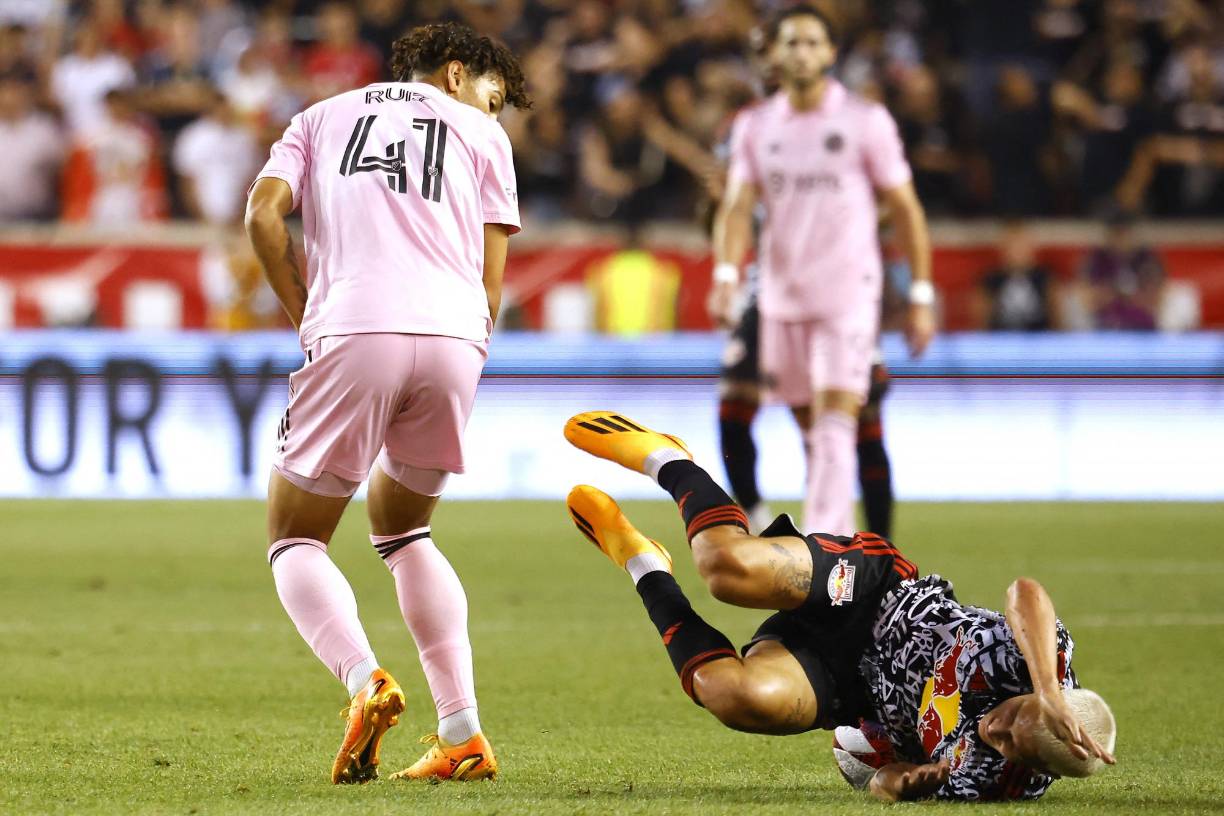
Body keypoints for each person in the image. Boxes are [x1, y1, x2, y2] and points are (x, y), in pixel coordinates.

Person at [562, 410, 1117, 802]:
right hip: (879, 596)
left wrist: (901, 783)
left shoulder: (993, 779)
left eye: (1013, 746)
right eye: (1015, 718)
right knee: (726, 570)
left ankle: (643, 563)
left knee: (731, 695)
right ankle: (668, 459)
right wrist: (1047, 690)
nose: (998, 730)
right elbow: (1025, 592)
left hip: (849, 686)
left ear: (1037, 768)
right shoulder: (1036, 665)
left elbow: (883, 783)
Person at [244, 21, 528, 785]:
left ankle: (365, 680)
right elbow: (492, 282)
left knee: (295, 538)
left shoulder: (318, 118)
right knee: (405, 530)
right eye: (494, 97)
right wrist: (464, 350)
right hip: (456, 339)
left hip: (355, 327)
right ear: (457, 74)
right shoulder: (484, 137)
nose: (494, 112)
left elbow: (262, 216)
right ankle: (463, 732)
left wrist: (305, 313)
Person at [709, 5, 933, 537]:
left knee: (838, 421)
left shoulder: (864, 121)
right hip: (780, 297)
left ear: (831, 53)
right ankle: (849, 552)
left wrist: (921, 294)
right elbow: (736, 207)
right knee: (811, 427)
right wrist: (725, 276)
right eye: (792, 42)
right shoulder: (755, 126)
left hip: (848, 295)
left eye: (813, 42)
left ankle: (823, 549)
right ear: (775, 53)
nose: (802, 53)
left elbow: (905, 208)